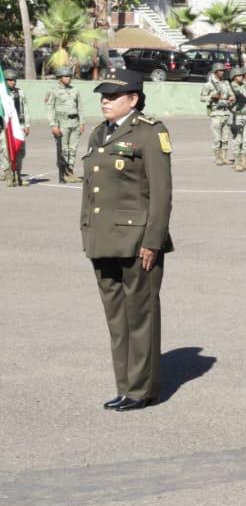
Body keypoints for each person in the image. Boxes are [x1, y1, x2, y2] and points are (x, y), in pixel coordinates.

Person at [81, 69, 173, 411]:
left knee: (140, 316)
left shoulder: (150, 133)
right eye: (103, 96)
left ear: (133, 99)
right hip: (103, 239)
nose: (105, 101)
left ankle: (142, 389)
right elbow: (91, 192)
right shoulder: (98, 133)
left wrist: (154, 240)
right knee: (117, 319)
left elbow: (161, 194)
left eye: (113, 96)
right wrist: (87, 231)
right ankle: (125, 386)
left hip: (137, 242)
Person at [46, 67, 85, 182]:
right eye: (66, 76)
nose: (69, 78)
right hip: (62, 123)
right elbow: (50, 108)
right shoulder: (53, 91)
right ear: (60, 78)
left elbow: (80, 107)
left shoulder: (75, 90)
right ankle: (63, 174)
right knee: (63, 150)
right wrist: (53, 125)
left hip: (75, 123)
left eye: (70, 76)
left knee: (73, 149)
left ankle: (70, 172)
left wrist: (82, 122)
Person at [199, 65, 234, 166]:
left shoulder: (226, 83)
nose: (222, 72)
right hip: (216, 113)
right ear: (215, 72)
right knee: (217, 137)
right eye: (220, 71)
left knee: (225, 137)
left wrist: (232, 98)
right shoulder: (209, 84)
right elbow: (202, 97)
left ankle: (224, 157)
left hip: (226, 112)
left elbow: (232, 94)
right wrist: (211, 96)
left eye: (223, 71)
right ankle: (218, 157)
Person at [2, 71, 29, 187]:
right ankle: (8, 175)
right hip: (5, 126)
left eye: (14, 80)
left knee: (20, 151)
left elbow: (25, 108)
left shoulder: (20, 93)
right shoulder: (2, 94)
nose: (13, 82)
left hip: (19, 126)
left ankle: (18, 174)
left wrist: (27, 124)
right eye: (10, 80)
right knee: (6, 151)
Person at [228, 67, 246, 172]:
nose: (241, 77)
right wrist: (229, 101)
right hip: (236, 116)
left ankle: (244, 162)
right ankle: (237, 163)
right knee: (237, 140)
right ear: (233, 77)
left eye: (242, 75)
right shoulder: (229, 87)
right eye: (238, 76)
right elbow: (223, 101)